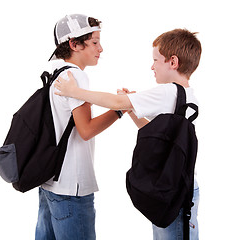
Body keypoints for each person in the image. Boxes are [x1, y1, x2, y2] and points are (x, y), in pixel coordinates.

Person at [54, 28, 202, 240]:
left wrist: (74, 92)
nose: (152, 66)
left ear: (173, 62)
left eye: (156, 60)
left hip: (173, 189)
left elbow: (115, 103)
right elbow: (156, 134)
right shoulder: (187, 95)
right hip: (181, 186)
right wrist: (133, 108)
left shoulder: (167, 91)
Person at [35, 14, 124, 240]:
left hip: (49, 181)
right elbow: (86, 130)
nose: (100, 49)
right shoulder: (75, 76)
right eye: (94, 42)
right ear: (74, 44)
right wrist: (120, 110)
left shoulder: (54, 73)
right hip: (71, 188)